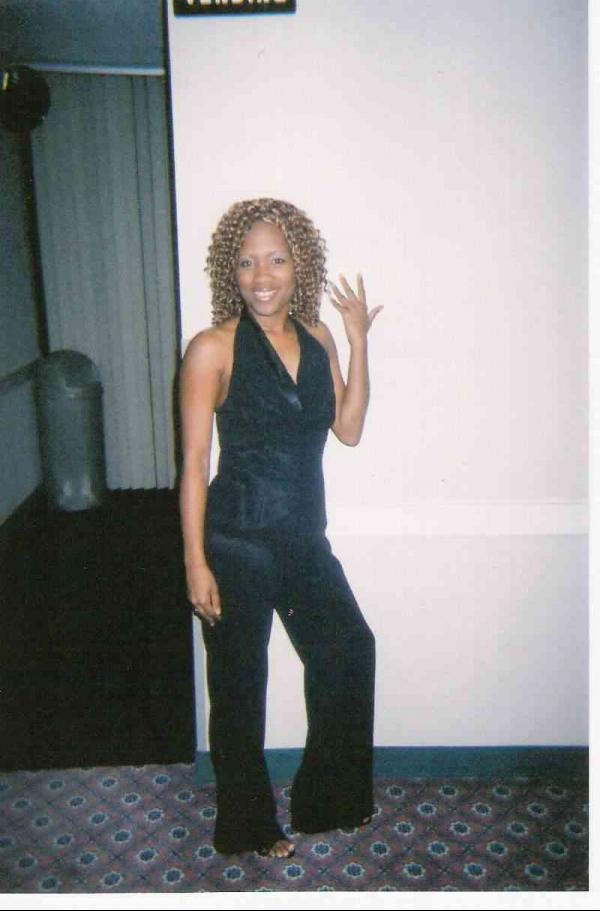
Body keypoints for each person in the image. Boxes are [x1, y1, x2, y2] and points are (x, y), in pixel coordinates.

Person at [178, 198, 381, 858]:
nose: (261, 276)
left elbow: (348, 428)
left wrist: (357, 339)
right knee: (240, 688)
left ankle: (327, 799)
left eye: (275, 260)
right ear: (229, 271)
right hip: (236, 541)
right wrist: (194, 562)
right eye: (246, 262)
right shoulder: (212, 348)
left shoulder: (319, 337)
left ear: (299, 265)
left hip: (302, 538)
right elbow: (192, 461)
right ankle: (249, 825)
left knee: (348, 649)